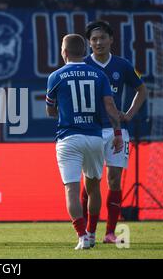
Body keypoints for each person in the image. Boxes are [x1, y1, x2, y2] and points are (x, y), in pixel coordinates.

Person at [46, 34, 123, 250]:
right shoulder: (99, 75)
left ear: (65, 52)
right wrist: (117, 133)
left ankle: (81, 237)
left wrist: (62, 109)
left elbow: (50, 110)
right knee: (94, 187)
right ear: (83, 51)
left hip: (69, 137)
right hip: (94, 137)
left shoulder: (56, 76)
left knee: (71, 189)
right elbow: (110, 106)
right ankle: (91, 233)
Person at [83, 21, 147, 243]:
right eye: (94, 39)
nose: (98, 42)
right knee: (90, 182)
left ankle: (110, 232)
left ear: (111, 39)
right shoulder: (82, 66)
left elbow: (141, 90)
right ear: (89, 43)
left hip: (116, 130)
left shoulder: (122, 65)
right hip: (89, 131)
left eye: (102, 38)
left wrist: (128, 114)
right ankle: (86, 232)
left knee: (114, 180)